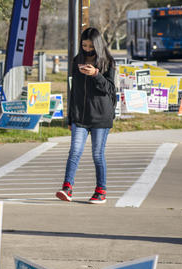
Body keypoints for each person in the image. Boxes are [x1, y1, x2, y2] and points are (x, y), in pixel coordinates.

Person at [56, 27, 116, 204]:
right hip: (80, 117)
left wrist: (96, 74)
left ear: (97, 45)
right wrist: (70, 117)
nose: (87, 49)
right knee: (74, 151)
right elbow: (73, 90)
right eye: (84, 45)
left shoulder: (108, 62)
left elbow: (111, 90)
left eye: (91, 46)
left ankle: (101, 191)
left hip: (100, 117)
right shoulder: (77, 60)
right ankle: (67, 188)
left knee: (97, 154)